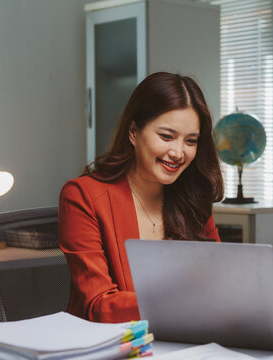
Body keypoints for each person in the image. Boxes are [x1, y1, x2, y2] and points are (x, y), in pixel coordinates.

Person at [59, 72, 224, 323]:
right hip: (114, 345)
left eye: (191, 141)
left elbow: (220, 283)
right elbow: (98, 305)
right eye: (166, 137)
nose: (178, 152)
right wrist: (184, 302)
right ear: (134, 132)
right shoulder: (83, 196)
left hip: (182, 340)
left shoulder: (193, 199)